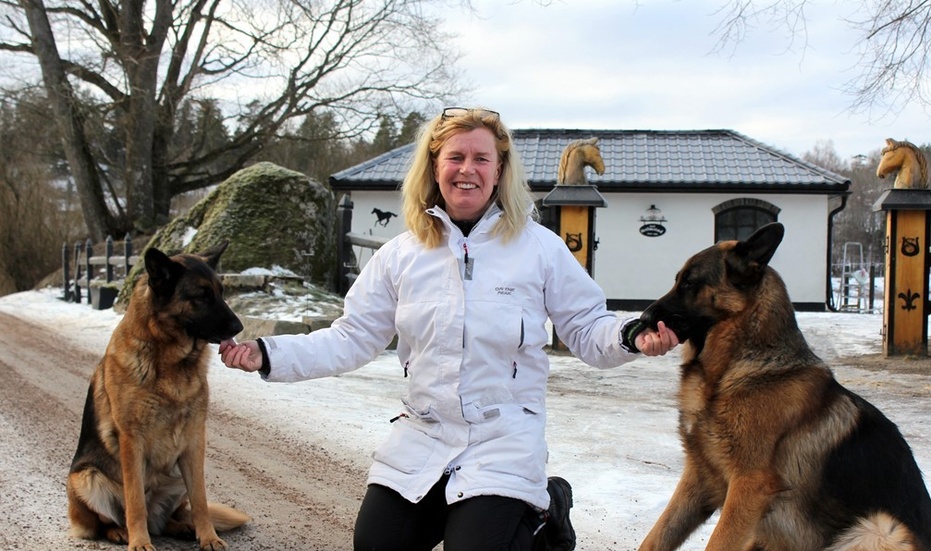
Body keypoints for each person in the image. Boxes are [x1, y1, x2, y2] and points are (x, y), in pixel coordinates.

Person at [219, 107, 679, 551]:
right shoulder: (402, 254)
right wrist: (269, 353)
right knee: (377, 545)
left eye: (481, 159)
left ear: (500, 171)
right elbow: (351, 336)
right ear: (434, 167)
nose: (468, 170)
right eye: (455, 157)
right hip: (425, 432)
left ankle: (545, 511)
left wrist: (631, 335)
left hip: (503, 437)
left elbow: (585, 326)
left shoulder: (539, 248)